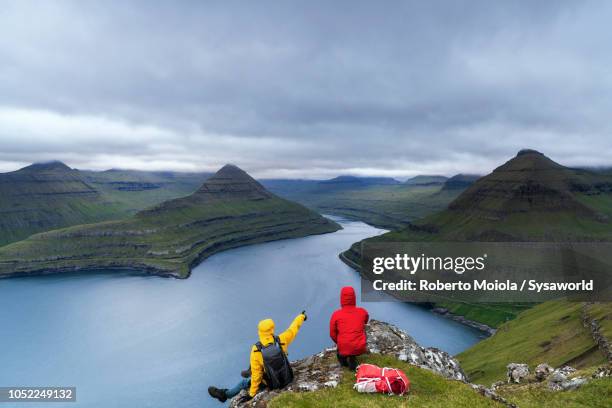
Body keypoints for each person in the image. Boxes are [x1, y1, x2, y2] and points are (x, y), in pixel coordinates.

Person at [208, 311, 307, 403]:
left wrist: (251, 394)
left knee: (244, 382)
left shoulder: (256, 349)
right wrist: (301, 316)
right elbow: (293, 328)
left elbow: (257, 375)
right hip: (287, 377)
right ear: (272, 329)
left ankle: (224, 394)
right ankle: (249, 370)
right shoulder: (281, 339)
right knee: (258, 365)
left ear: (259, 331)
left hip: (271, 383)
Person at [329, 286, 369, 371]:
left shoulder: (336, 314)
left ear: (341, 299)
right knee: (359, 335)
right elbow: (365, 321)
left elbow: (332, 334)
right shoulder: (362, 311)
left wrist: (339, 342)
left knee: (342, 351)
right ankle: (352, 361)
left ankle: (344, 364)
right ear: (354, 298)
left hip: (343, 346)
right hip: (359, 347)